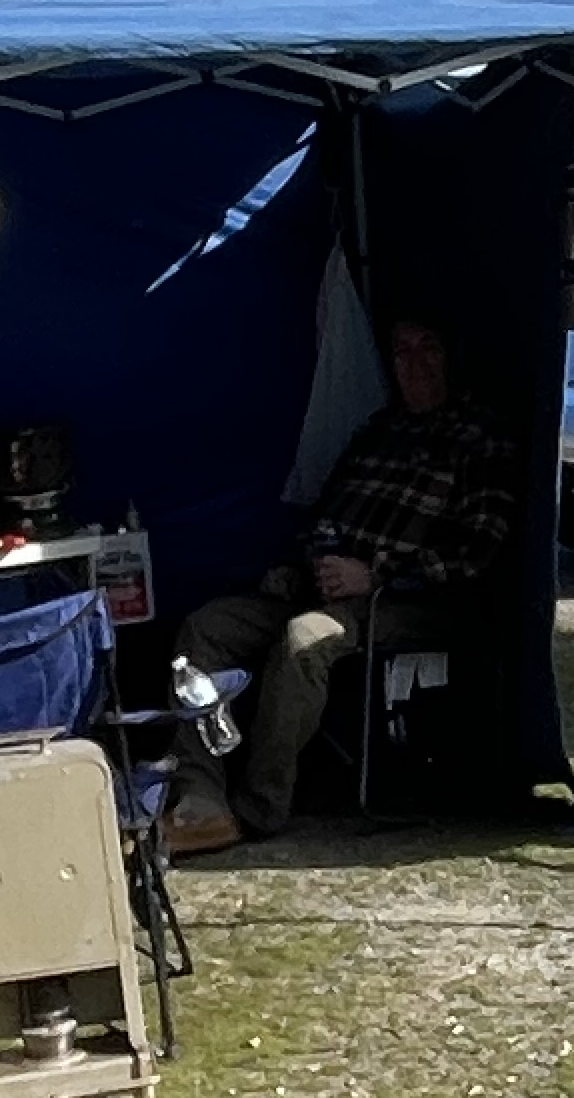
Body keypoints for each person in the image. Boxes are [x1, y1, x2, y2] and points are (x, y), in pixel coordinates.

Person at [163, 314, 516, 853]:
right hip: (327, 588)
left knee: (304, 639)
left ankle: (259, 808)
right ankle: (200, 798)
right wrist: (302, 565)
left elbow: (477, 554)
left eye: (429, 348)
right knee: (207, 628)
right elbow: (323, 516)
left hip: (409, 599)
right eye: (401, 351)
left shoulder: (480, 438)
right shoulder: (379, 429)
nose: (415, 364)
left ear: (453, 357)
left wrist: (376, 574)